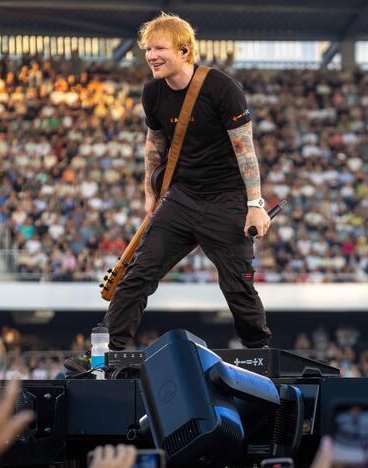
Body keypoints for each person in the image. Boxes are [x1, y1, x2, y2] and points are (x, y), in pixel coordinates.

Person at [100, 12, 272, 352]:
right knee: (137, 275)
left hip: (226, 199)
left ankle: (260, 354)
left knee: (237, 285)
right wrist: (151, 195)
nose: (151, 56)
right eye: (148, 49)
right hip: (181, 198)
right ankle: (108, 350)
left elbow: (245, 151)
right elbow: (154, 144)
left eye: (159, 48)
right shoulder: (152, 92)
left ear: (184, 51)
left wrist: (255, 204)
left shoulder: (221, 87)